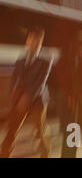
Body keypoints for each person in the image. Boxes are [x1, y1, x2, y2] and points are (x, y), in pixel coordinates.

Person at [0, 28, 53, 158]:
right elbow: (14, 80)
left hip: (37, 101)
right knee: (12, 128)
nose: (32, 42)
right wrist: (14, 95)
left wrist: (27, 97)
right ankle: (4, 153)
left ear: (40, 42)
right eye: (30, 39)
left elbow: (40, 83)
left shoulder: (46, 61)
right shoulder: (20, 60)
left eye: (36, 40)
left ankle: (45, 154)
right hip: (20, 100)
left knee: (40, 131)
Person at [49, 30, 82, 158]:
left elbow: (52, 82)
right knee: (71, 135)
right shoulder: (78, 63)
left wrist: (58, 98)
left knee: (70, 135)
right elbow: (52, 82)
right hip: (71, 104)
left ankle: (68, 155)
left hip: (73, 105)